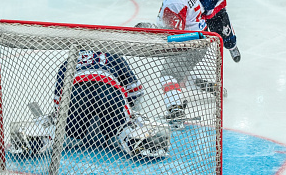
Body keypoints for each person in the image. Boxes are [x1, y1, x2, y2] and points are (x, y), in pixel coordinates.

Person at [10, 50, 170, 158]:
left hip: (75, 93)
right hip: (109, 90)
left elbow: (59, 99)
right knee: (122, 128)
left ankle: (41, 138)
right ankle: (136, 138)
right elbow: (136, 91)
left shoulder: (70, 60)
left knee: (63, 128)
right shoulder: (113, 55)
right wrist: (129, 113)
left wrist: (60, 119)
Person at [155, 0, 213, 119]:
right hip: (199, 37)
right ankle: (208, 87)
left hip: (190, 43)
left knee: (167, 75)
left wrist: (154, 34)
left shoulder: (176, 3)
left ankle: (176, 110)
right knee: (179, 74)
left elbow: (174, 35)